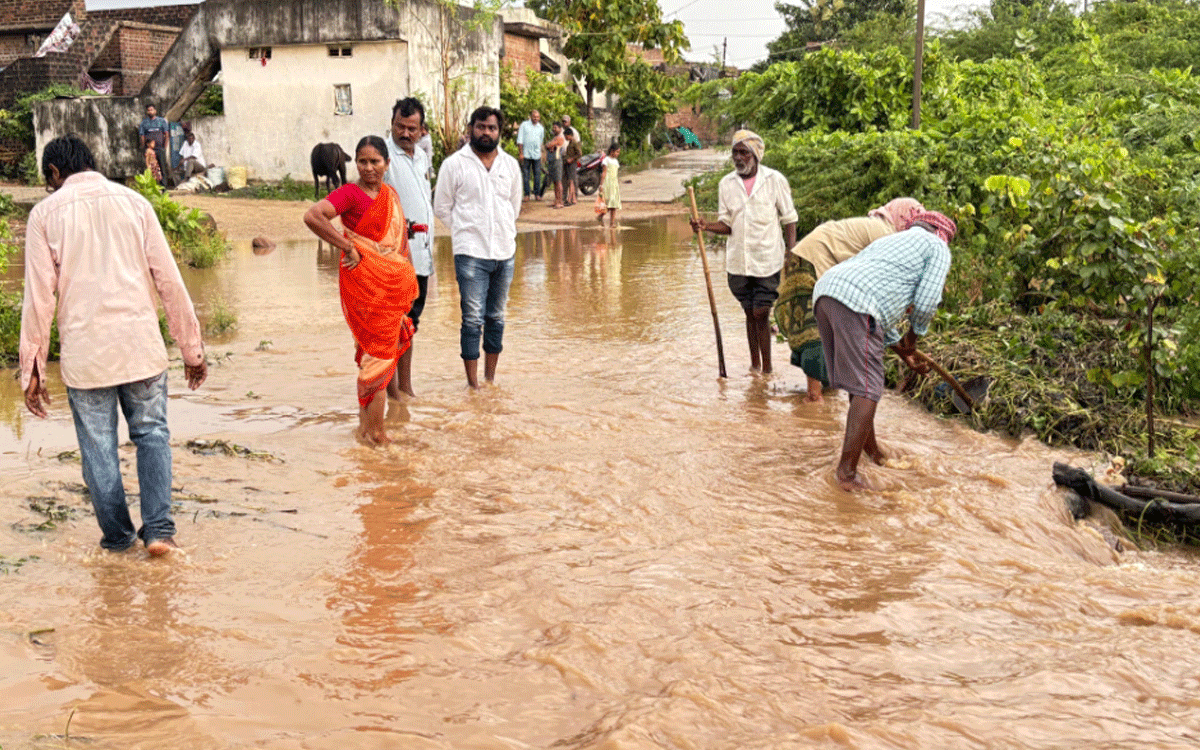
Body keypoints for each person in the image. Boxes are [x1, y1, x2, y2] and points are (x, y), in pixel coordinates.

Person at [20, 134, 208, 556]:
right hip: (140, 346)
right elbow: (169, 280)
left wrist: (31, 370)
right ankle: (160, 532)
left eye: (48, 179)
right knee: (153, 435)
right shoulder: (134, 203)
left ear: (55, 172)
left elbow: (38, 298)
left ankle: (119, 540)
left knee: (98, 448)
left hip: (86, 357)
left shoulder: (45, 215)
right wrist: (191, 348)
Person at [812, 211, 957, 491]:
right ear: (943, 234)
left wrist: (902, 349)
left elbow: (878, 307)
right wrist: (913, 338)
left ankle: (872, 453)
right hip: (857, 303)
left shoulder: (894, 240)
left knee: (861, 384)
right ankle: (847, 474)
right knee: (869, 387)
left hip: (827, 293)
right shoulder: (937, 247)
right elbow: (927, 303)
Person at [304, 136, 420, 444]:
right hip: (363, 283)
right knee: (378, 355)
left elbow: (397, 245)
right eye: (362, 161)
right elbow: (313, 216)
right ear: (354, 163)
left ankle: (365, 430)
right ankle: (378, 435)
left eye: (375, 162)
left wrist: (400, 279)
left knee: (375, 353)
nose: (368, 168)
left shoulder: (390, 194)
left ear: (387, 164)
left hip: (389, 287)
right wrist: (347, 246)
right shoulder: (350, 193)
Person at [775, 197, 925, 401]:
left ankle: (824, 394)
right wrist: (901, 348)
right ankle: (814, 401)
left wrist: (901, 349)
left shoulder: (882, 231)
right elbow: (874, 303)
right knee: (814, 333)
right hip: (810, 264)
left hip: (809, 261)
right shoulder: (886, 237)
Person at [690, 129, 798, 374]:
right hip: (738, 262)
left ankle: (768, 368)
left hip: (767, 259)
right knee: (749, 313)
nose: (738, 158)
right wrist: (705, 226)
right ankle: (755, 366)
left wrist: (791, 254)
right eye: (735, 153)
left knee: (761, 311)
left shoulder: (774, 180)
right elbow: (726, 224)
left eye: (743, 153)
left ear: (756, 155)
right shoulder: (726, 184)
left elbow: (790, 219)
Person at [433, 106, 523, 389]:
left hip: (504, 253)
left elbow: (514, 206)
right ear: (471, 128)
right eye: (481, 126)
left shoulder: (510, 165)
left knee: (496, 317)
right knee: (472, 319)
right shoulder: (454, 164)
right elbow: (442, 207)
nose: (486, 132)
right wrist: (464, 231)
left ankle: (490, 380)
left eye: (492, 128)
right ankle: (473, 385)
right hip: (470, 254)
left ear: (499, 132)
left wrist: (502, 232)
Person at [383, 97, 435, 399]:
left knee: (411, 323)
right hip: (392, 255)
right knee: (392, 324)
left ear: (420, 130)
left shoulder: (422, 158)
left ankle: (406, 386)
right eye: (400, 127)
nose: (405, 133)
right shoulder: (383, 157)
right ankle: (390, 390)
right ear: (391, 124)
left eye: (411, 128)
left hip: (422, 256)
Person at [138, 104, 171, 187]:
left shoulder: (161, 121)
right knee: (150, 169)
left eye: (152, 109)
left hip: (160, 149)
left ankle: (164, 189)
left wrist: (164, 147)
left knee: (162, 169)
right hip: (149, 150)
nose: (150, 111)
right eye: (148, 110)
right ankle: (152, 187)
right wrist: (143, 148)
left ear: (155, 111)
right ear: (146, 112)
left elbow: (166, 135)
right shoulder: (144, 123)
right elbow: (142, 136)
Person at [516, 109, 544, 201]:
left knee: (537, 175)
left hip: (537, 155)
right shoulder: (524, 125)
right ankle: (527, 194)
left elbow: (541, 142)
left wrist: (542, 154)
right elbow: (520, 140)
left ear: (539, 118)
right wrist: (521, 153)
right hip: (526, 154)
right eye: (534, 116)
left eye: (537, 117)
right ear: (531, 116)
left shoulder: (541, 128)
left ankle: (537, 194)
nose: (536, 118)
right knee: (526, 175)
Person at [599, 143, 622, 228]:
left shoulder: (616, 161)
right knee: (608, 204)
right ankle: (600, 216)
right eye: (617, 152)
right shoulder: (606, 160)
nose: (618, 154)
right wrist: (601, 185)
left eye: (618, 152)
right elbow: (604, 173)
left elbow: (616, 174)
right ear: (612, 151)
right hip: (607, 184)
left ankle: (612, 223)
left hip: (614, 184)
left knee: (614, 205)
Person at [544, 121, 566, 209]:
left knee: (558, 181)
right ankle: (556, 200)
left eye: (555, 127)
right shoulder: (556, 137)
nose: (554, 129)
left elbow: (549, 145)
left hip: (557, 160)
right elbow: (548, 146)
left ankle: (560, 201)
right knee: (555, 182)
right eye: (553, 127)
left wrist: (550, 145)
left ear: (560, 128)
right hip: (553, 161)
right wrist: (550, 145)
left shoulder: (560, 137)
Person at [562, 128, 582, 206]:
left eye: (566, 136)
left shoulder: (574, 143)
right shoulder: (571, 142)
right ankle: (573, 199)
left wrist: (571, 159)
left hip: (572, 164)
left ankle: (570, 199)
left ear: (569, 135)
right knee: (571, 182)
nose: (565, 138)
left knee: (571, 182)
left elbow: (579, 153)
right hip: (569, 164)